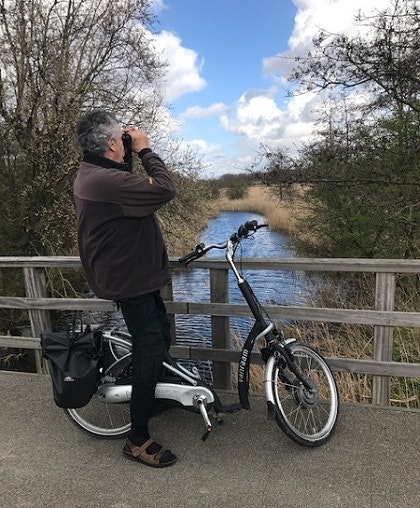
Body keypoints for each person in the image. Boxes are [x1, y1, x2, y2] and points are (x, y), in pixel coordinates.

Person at [74, 110, 177, 467]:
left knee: (159, 336)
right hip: (130, 280)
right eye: (122, 138)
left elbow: (125, 180)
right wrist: (147, 151)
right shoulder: (105, 181)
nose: (128, 140)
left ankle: (152, 397)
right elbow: (164, 188)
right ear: (111, 144)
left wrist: (128, 153)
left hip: (134, 275)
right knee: (149, 350)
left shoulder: (95, 174)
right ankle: (137, 440)